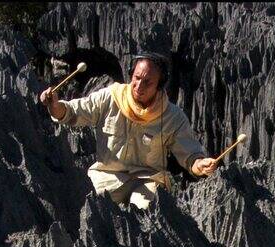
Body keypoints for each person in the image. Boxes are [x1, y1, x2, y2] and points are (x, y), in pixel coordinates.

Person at [39, 54, 218, 209]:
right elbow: (72, 113)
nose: (139, 86)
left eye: (148, 82)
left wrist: (200, 165)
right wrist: (55, 106)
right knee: (86, 208)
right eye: (137, 78)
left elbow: (190, 156)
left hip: (148, 180)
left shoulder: (173, 117)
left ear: (159, 86)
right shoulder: (109, 97)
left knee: (145, 211)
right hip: (106, 177)